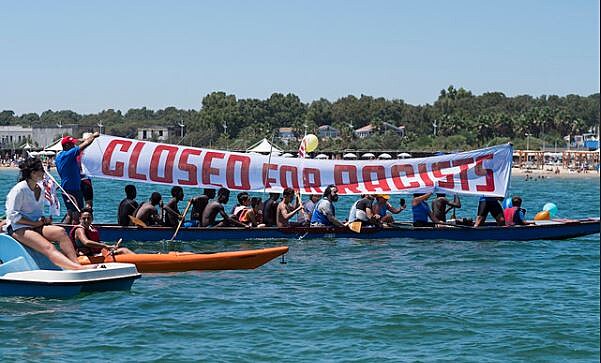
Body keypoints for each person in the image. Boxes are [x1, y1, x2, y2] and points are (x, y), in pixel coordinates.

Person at [5, 158, 89, 270]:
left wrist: (44, 220)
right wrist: (34, 224)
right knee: (48, 247)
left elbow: (36, 212)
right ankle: (76, 268)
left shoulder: (40, 188)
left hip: (35, 225)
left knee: (61, 232)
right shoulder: (19, 189)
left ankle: (76, 264)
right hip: (17, 227)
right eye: (41, 170)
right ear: (33, 173)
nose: (44, 172)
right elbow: (13, 216)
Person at [54, 132, 100, 224]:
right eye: (72, 144)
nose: (74, 145)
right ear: (67, 145)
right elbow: (86, 144)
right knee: (77, 214)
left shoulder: (59, 155)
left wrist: (83, 139)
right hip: (73, 188)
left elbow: (81, 141)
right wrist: (94, 136)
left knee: (70, 213)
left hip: (66, 187)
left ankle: (64, 230)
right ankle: (75, 234)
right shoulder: (69, 154)